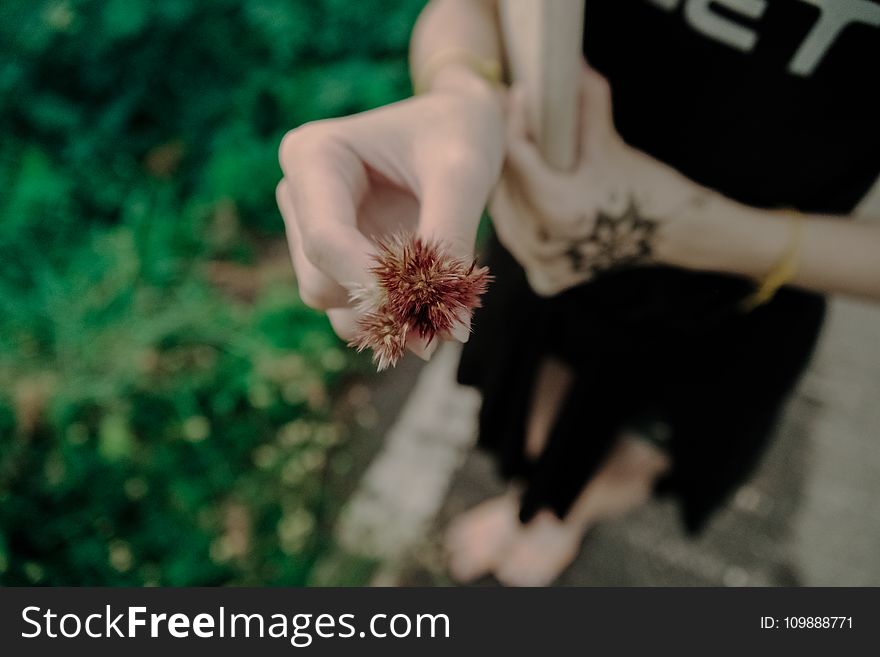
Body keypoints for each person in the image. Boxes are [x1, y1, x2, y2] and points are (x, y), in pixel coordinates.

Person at [276, 0, 880, 586]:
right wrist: (460, 90)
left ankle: (563, 517)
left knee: (639, 458)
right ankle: (534, 503)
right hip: (549, 261)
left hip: (744, 295)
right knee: (535, 426)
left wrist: (700, 230)